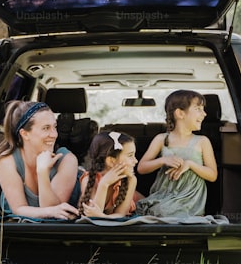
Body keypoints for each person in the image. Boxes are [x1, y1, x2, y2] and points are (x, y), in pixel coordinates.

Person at [136, 90, 218, 218]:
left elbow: (212, 175)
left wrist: (190, 164)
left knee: (162, 211)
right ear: (180, 113)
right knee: (159, 209)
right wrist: (163, 160)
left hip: (189, 200)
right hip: (163, 195)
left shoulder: (202, 141)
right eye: (198, 109)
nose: (204, 114)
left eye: (203, 109)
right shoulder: (161, 139)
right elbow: (141, 168)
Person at [0, 100, 81, 219]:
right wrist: (50, 211)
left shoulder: (67, 160)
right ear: (25, 134)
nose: (54, 134)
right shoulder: (8, 161)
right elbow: (18, 208)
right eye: (46, 128)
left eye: (54, 127)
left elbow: (54, 214)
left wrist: (42, 173)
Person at [78, 131, 138, 218]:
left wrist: (103, 216)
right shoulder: (89, 180)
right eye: (130, 155)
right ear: (111, 161)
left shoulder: (130, 179)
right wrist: (104, 184)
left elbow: (121, 214)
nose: (135, 161)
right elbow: (92, 216)